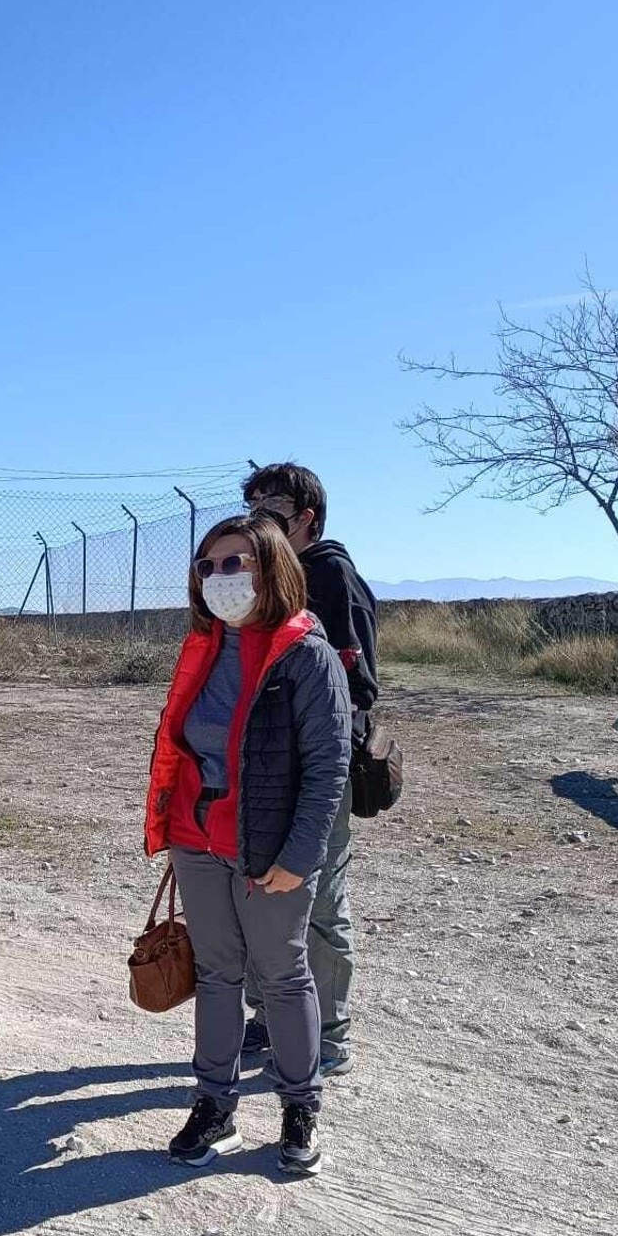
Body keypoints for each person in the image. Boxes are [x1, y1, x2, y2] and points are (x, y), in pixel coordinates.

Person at [145, 513, 351, 1175]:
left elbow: (327, 769)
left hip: (269, 850)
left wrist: (299, 857)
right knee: (216, 973)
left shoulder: (305, 653)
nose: (220, 576)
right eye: (209, 566)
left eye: (237, 563)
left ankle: (299, 1105)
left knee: (284, 975)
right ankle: (215, 1106)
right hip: (197, 839)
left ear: (273, 569)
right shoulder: (202, 647)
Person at [241, 460, 379, 1076]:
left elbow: (357, 684)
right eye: (253, 510)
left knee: (318, 897)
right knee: (255, 891)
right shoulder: (254, 578)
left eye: (270, 513)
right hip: (258, 769)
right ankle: (272, 1017)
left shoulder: (329, 576)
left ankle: (328, 1034)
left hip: (315, 770)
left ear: (305, 520)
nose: (256, 523)